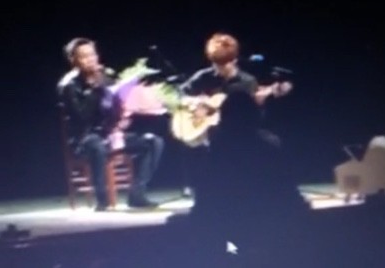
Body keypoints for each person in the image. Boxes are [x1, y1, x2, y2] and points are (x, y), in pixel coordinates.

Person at [179, 32, 293, 238]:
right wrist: (195, 103)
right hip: (209, 131)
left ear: (234, 60)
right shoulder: (202, 77)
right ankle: (199, 191)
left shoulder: (248, 81)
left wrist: (259, 101)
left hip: (236, 134)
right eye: (215, 63)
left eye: (223, 63)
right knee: (197, 143)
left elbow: (253, 118)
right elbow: (181, 94)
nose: (218, 68)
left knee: (268, 140)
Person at [57, 37, 164, 210]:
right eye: (84, 56)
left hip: (109, 135)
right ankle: (102, 199)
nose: (91, 59)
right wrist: (94, 88)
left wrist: (124, 113)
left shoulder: (105, 77)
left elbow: (117, 101)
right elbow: (82, 117)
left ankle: (137, 194)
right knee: (96, 145)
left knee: (153, 142)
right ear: (73, 60)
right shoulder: (68, 85)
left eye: (92, 54)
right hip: (83, 139)